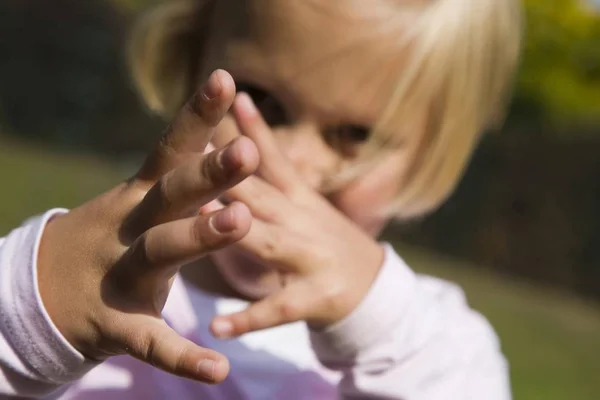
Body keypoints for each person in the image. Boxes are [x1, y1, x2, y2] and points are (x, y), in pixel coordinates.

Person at [0, 0, 522, 398]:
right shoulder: (99, 275)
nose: (289, 161)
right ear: (190, 68)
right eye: (262, 101)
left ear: (433, 152)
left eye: (355, 134)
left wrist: (377, 315)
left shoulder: (435, 344)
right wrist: (35, 315)